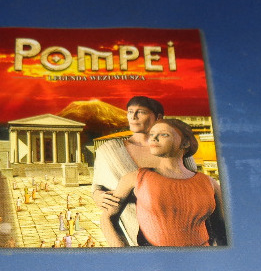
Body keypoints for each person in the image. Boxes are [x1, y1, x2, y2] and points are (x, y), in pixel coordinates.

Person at [101, 118, 227, 247]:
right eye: (152, 134)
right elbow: (107, 218)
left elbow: (222, 229)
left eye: (164, 134)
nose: (153, 138)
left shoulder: (209, 183)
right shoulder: (135, 178)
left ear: (185, 143)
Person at [92, 96, 197, 245]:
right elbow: (97, 186)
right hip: (134, 232)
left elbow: (194, 181)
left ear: (158, 117)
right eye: (130, 112)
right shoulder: (109, 150)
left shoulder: (176, 147)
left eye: (141, 112)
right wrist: (97, 195)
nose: (133, 117)